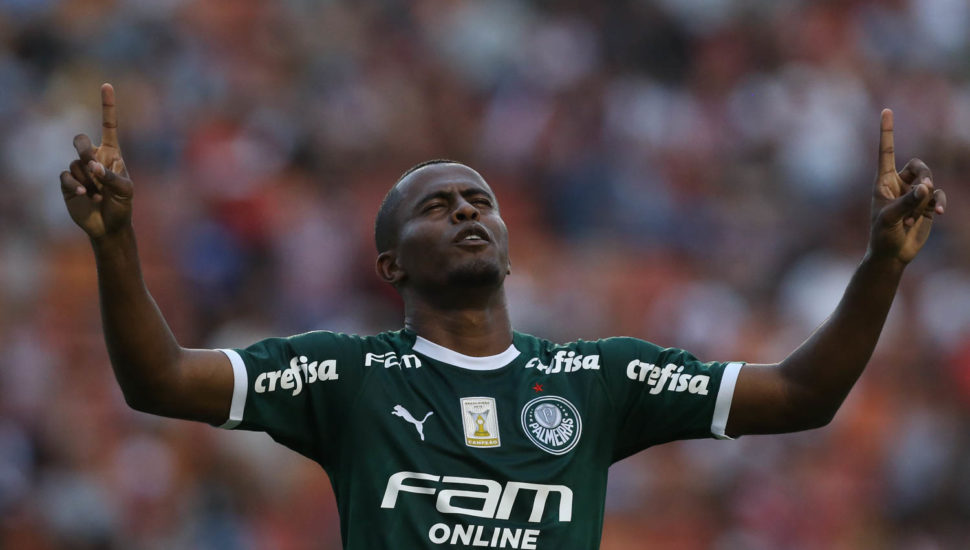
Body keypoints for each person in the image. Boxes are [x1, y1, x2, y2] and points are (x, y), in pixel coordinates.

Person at [60, 83, 946, 550]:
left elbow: (800, 395)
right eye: (436, 206)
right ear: (390, 265)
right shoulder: (347, 376)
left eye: (479, 200)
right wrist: (116, 240)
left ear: (511, 247)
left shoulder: (598, 379)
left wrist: (882, 264)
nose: (466, 210)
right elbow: (160, 380)